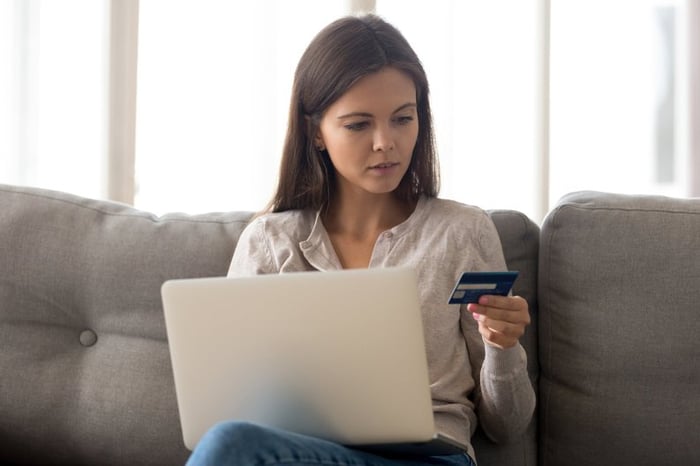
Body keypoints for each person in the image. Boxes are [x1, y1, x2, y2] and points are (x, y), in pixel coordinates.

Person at [186, 13, 535, 466]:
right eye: (358, 125)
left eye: (402, 119)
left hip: (429, 457)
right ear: (316, 132)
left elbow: (505, 427)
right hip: (306, 454)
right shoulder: (270, 243)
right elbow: (231, 408)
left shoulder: (462, 233)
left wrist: (502, 348)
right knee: (230, 442)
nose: (385, 143)